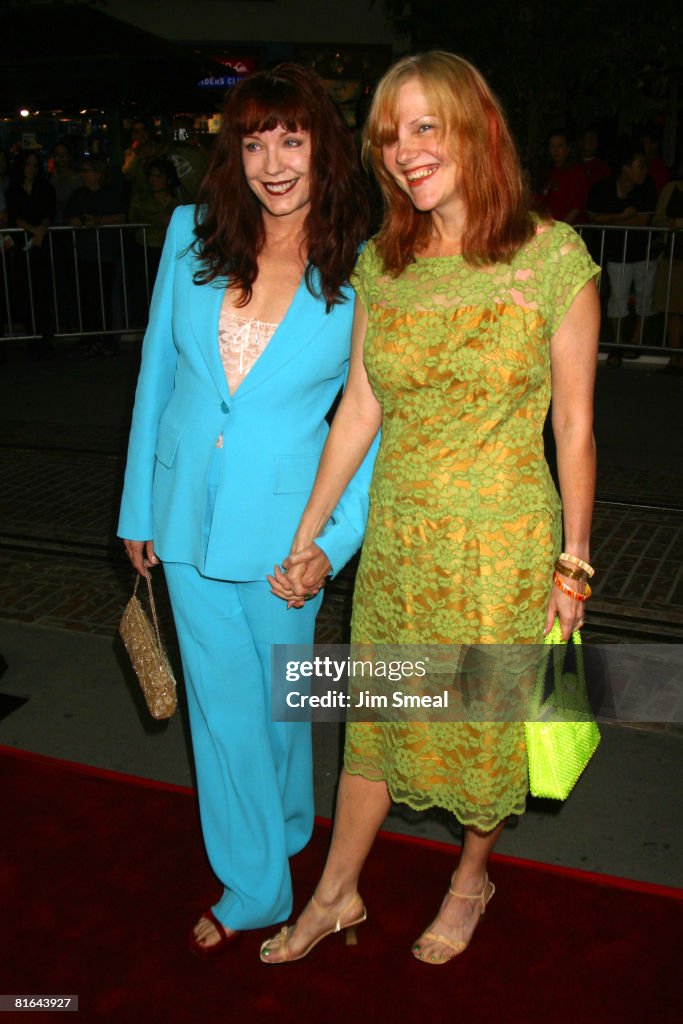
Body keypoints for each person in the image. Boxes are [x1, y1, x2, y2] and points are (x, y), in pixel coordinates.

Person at [261, 51, 600, 966]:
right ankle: (335, 893)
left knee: (481, 729)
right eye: (389, 135)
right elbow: (359, 411)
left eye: (424, 126)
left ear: (475, 127)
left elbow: (573, 427)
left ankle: (469, 879)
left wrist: (571, 566)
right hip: (402, 542)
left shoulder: (550, 255)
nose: (405, 152)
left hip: (502, 543)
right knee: (375, 717)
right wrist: (308, 536)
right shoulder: (384, 261)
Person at [117, 64, 375, 957]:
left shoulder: (362, 267)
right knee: (225, 713)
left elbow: (370, 424)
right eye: (254, 141)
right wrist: (136, 506)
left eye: (291, 140)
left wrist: (334, 543)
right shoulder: (191, 234)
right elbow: (156, 376)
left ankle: (289, 823)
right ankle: (257, 886)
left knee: (280, 704)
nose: (271, 162)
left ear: (322, 149)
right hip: (185, 520)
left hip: (287, 534)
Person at [588, 146, 657, 365]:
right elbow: (594, 218)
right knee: (618, 297)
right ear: (625, 168)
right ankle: (618, 343)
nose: (643, 171)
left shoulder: (647, 187)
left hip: (645, 252)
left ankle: (635, 341)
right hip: (617, 252)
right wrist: (621, 216)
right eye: (639, 166)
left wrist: (612, 220)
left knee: (645, 296)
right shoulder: (605, 187)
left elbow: (642, 221)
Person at [63, 157, 126, 356]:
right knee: (86, 296)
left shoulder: (110, 195)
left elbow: (123, 216)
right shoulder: (78, 195)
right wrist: (72, 220)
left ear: (98, 173)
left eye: (87, 170)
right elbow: (67, 216)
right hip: (83, 252)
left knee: (103, 296)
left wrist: (99, 220)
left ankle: (106, 337)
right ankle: (90, 335)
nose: (84, 174)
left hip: (104, 253)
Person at [652, 163, 683, 374]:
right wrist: (671, 224)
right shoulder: (671, 188)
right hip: (674, 254)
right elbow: (658, 218)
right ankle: (674, 358)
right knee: (673, 308)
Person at [539, 130, 588, 225]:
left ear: (568, 148)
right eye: (552, 146)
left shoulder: (576, 172)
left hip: (569, 231)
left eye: (560, 146)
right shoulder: (548, 172)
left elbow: (576, 208)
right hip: (550, 228)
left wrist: (560, 230)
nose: (555, 150)